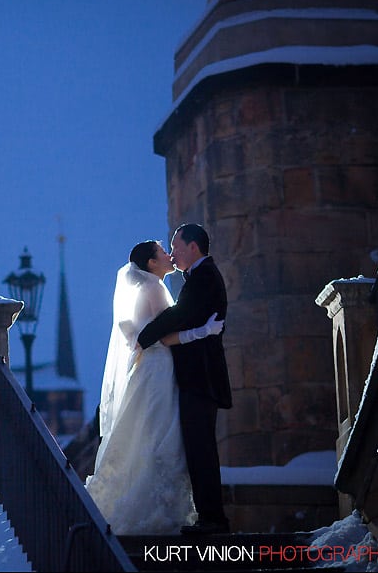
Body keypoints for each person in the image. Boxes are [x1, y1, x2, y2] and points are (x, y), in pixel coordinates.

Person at [85, 239, 223, 535]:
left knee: (148, 433)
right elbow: (164, 334)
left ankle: (145, 503)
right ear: (151, 263)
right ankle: (157, 509)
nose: (169, 255)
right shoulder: (155, 288)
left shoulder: (148, 288)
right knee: (161, 434)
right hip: (159, 369)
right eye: (163, 252)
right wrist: (204, 331)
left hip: (152, 369)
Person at [137, 223, 232, 535]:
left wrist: (145, 336)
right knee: (197, 448)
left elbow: (177, 315)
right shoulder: (199, 276)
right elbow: (181, 320)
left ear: (193, 247)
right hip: (197, 378)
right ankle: (210, 517)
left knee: (201, 449)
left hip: (201, 379)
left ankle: (213, 520)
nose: (173, 253)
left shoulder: (204, 276)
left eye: (176, 246)